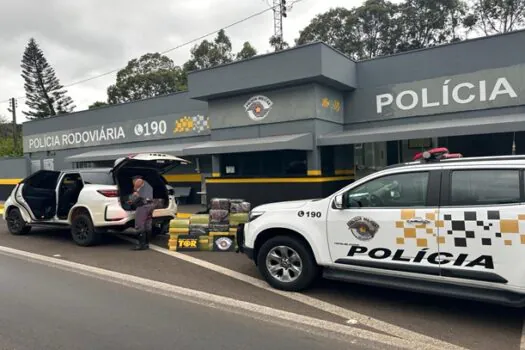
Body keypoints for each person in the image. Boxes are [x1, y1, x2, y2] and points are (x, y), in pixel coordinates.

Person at [128, 176, 155, 250]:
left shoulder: (140, 183)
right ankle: (146, 244)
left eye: (133, 181)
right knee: (148, 224)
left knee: (139, 225)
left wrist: (135, 189)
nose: (133, 183)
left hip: (143, 206)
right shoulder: (148, 186)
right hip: (150, 206)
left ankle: (141, 245)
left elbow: (138, 182)